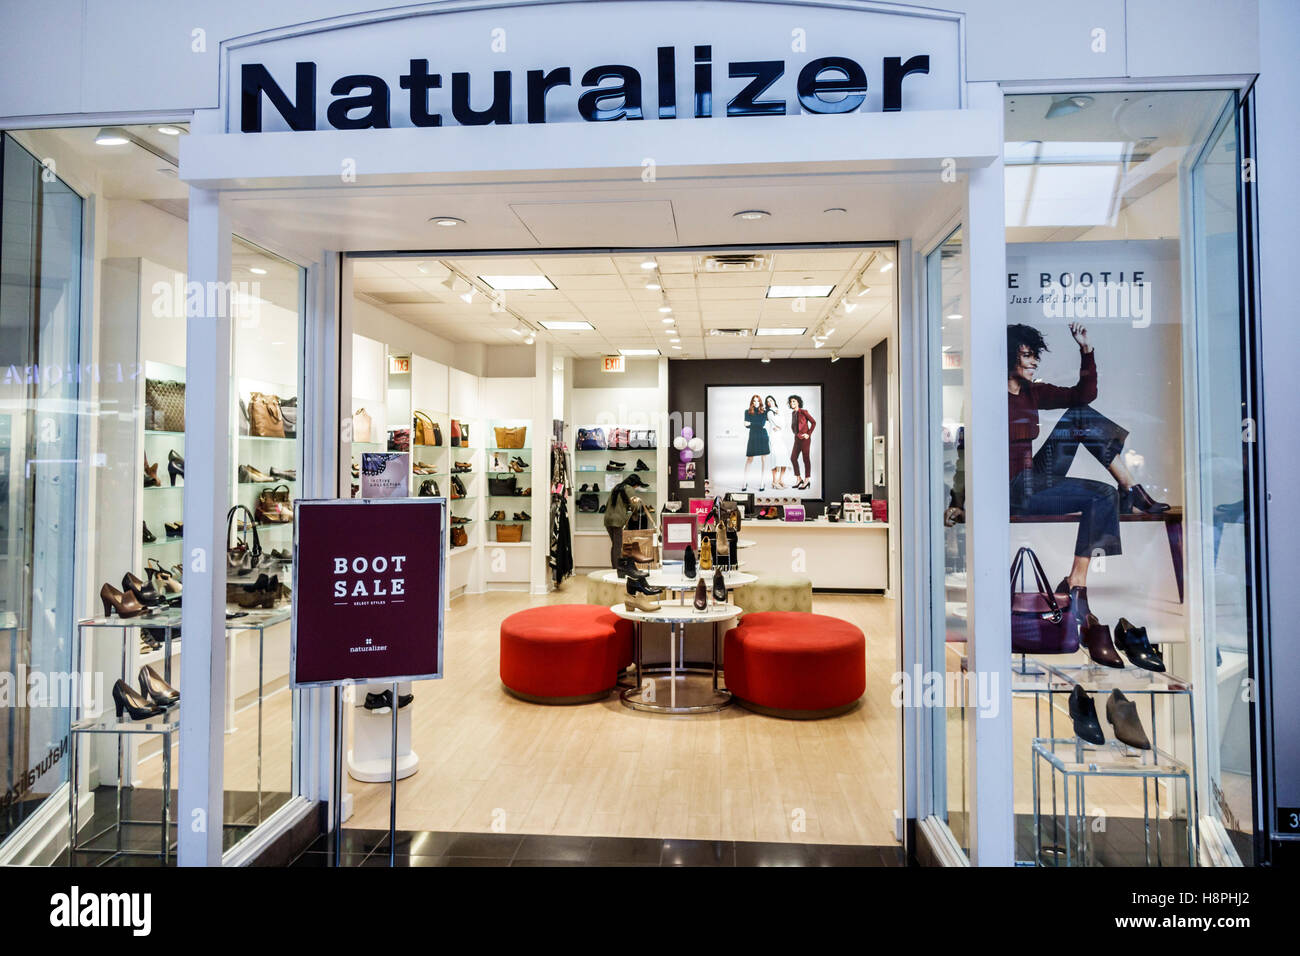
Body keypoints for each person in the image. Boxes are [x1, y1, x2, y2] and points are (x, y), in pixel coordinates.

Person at [1004, 321, 1168, 625]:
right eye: (1026, 355)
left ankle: (1130, 486)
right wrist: (958, 500)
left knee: (1079, 415)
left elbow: (1084, 395)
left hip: (1034, 476)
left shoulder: (1032, 393)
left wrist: (1086, 350)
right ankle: (1077, 585)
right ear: (1008, 356)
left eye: (1035, 355)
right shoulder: (988, 398)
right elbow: (967, 453)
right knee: (1102, 495)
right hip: (1012, 490)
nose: (1034, 361)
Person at [603, 472, 648, 568]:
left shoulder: (616, 487)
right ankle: (618, 569)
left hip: (608, 519)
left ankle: (615, 567)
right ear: (634, 484)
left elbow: (607, 504)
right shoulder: (629, 489)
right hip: (618, 521)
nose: (636, 488)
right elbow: (635, 505)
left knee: (615, 545)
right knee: (618, 546)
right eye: (637, 486)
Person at [741, 393, 769, 491]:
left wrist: (751, 423)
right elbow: (745, 425)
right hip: (753, 436)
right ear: (752, 402)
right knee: (749, 459)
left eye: (758, 400)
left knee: (764, 460)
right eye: (754, 400)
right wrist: (754, 424)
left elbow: (761, 424)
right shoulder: (747, 411)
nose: (756, 402)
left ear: (760, 402)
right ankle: (744, 482)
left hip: (763, 436)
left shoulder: (764, 412)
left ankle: (762, 482)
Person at [788, 394, 816, 490]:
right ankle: (799, 478)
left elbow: (813, 422)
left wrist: (808, 433)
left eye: (794, 401)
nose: (792, 403)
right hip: (797, 439)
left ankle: (807, 480)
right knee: (793, 458)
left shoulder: (804, 412)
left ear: (798, 402)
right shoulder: (793, 413)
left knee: (805, 459)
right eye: (791, 402)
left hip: (805, 439)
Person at [764, 395, 790, 488]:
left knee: (784, 457)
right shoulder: (769, 412)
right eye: (768, 401)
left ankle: (780, 480)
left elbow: (785, 424)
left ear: (774, 400)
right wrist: (780, 424)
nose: (770, 402)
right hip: (774, 437)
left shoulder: (779, 410)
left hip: (780, 437)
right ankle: (774, 481)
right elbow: (778, 423)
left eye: (771, 400)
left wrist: (780, 425)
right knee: (775, 458)